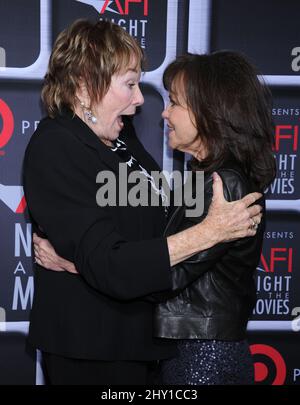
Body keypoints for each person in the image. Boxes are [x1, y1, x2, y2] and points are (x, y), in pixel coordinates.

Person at [24, 19, 262, 385]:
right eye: (130, 84)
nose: (141, 100)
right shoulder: (56, 146)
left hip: (141, 344)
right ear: (87, 84)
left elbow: (158, 225)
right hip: (92, 348)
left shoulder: (120, 136)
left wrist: (75, 263)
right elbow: (111, 263)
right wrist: (211, 232)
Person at [152, 51, 276, 385]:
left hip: (203, 357)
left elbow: (169, 273)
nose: (164, 113)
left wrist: (87, 265)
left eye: (174, 103)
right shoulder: (204, 178)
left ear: (208, 112)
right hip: (192, 351)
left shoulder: (226, 184)